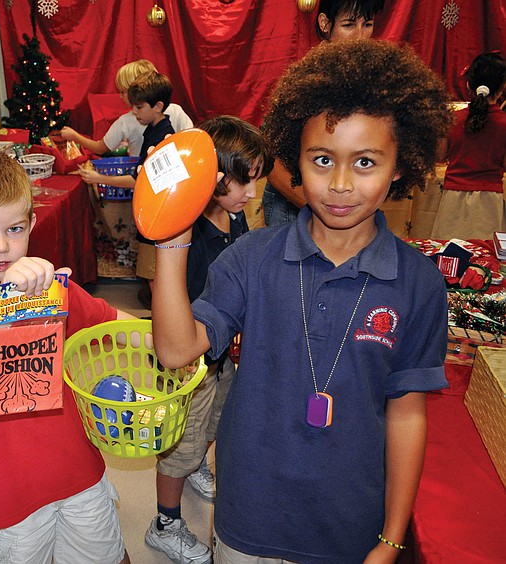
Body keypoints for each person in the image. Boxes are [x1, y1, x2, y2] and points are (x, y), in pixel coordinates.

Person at [152, 40, 452, 563]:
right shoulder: (251, 257)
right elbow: (178, 351)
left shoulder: (418, 282)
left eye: (364, 162)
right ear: (295, 160)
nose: (339, 185)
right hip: (249, 515)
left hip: (349, 524)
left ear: (400, 166)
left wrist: (392, 537)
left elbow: (407, 414)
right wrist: (172, 239)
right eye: (321, 160)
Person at [0, 148, 134, 564]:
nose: (1, 246)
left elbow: (116, 322)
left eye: (13, 228)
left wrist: (170, 343)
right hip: (11, 497)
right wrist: (4, 301)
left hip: (79, 472)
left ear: (32, 224)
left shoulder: (51, 287)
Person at [144, 116, 273, 564]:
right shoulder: (188, 233)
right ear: (213, 178)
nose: (252, 194)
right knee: (178, 449)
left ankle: (200, 462)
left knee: (210, 430)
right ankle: (165, 522)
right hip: (190, 370)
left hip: (219, 361)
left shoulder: (234, 219)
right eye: (244, 182)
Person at [262, 0, 386, 227]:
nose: (360, 36)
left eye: (367, 24)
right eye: (349, 25)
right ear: (325, 23)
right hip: (296, 205)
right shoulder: (304, 80)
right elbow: (270, 158)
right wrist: (314, 203)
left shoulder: (372, 81)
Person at [78, 71, 175, 304]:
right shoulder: (153, 127)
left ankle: (162, 314)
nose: (134, 111)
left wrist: (98, 178)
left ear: (158, 106)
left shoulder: (161, 135)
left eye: (139, 107)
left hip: (157, 215)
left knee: (154, 274)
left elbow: (138, 179)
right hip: (153, 212)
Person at [431, 52, 506, 240]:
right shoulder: (504, 123)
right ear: (502, 87)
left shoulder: (452, 119)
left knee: (448, 257)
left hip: (452, 200)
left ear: (468, 85)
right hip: (489, 202)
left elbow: (439, 156)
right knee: (487, 260)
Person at [60, 59, 193, 157]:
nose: (120, 97)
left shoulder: (125, 121)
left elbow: (100, 148)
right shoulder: (176, 110)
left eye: (123, 92)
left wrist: (74, 136)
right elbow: (191, 139)